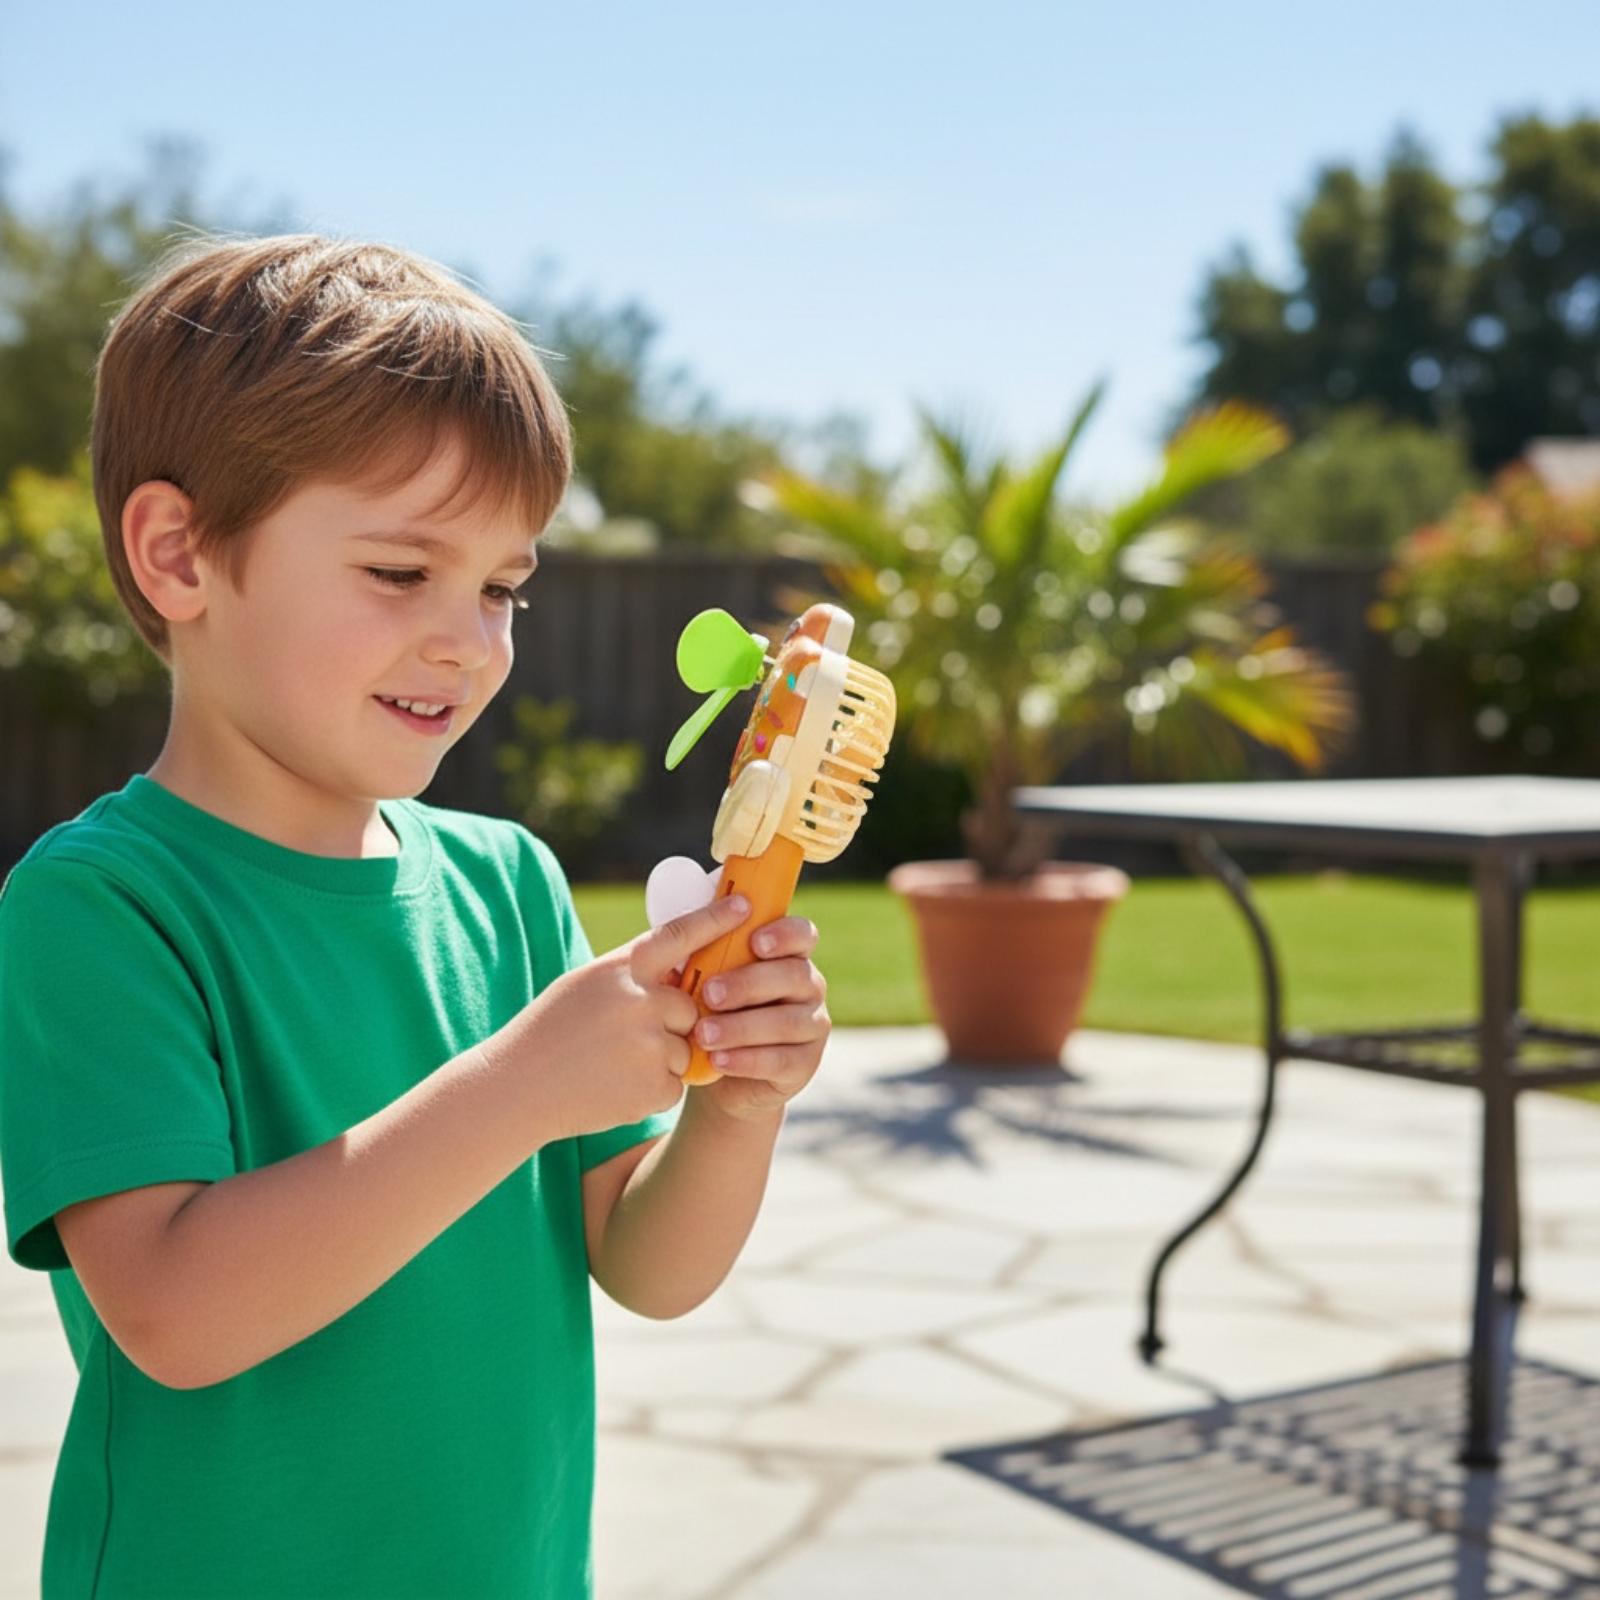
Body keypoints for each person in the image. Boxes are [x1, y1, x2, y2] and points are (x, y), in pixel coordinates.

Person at [0, 232, 831, 1599]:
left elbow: (646, 1265)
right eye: (400, 573)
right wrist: (521, 1087)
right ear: (179, 554)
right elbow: (174, 1314)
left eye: (503, 588)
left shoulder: (511, 887)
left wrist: (738, 1104)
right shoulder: (105, 905)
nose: (470, 640)